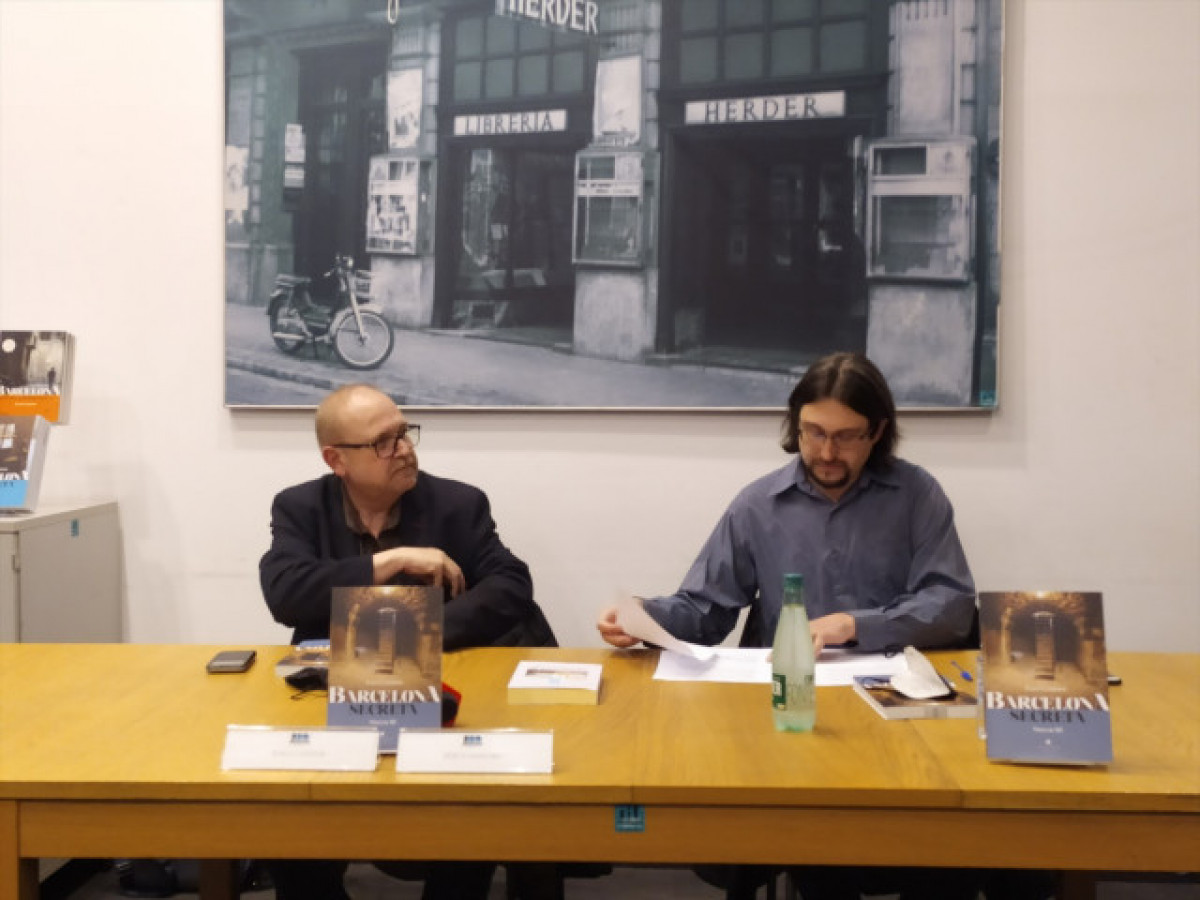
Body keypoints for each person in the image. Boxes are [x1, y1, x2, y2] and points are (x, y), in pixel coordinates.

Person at [596, 351, 978, 900]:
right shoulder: (759, 505)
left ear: (877, 432)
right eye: (813, 432)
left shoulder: (917, 496)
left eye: (845, 437)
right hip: (790, 709)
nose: (826, 452)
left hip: (896, 709)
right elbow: (706, 609)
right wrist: (644, 617)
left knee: (945, 840)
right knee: (810, 835)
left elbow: (952, 604)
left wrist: (854, 624)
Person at [260, 383, 557, 900]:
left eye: (404, 433)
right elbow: (286, 594)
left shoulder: (457, 504)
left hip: (444, 696)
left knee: (466, 815)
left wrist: (408, 633)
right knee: (288, 819)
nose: (404, 449)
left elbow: (511, 585)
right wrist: (390, 562)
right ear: (336, 460)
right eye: (384, 442)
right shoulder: (300, 507)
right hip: (338, 700)